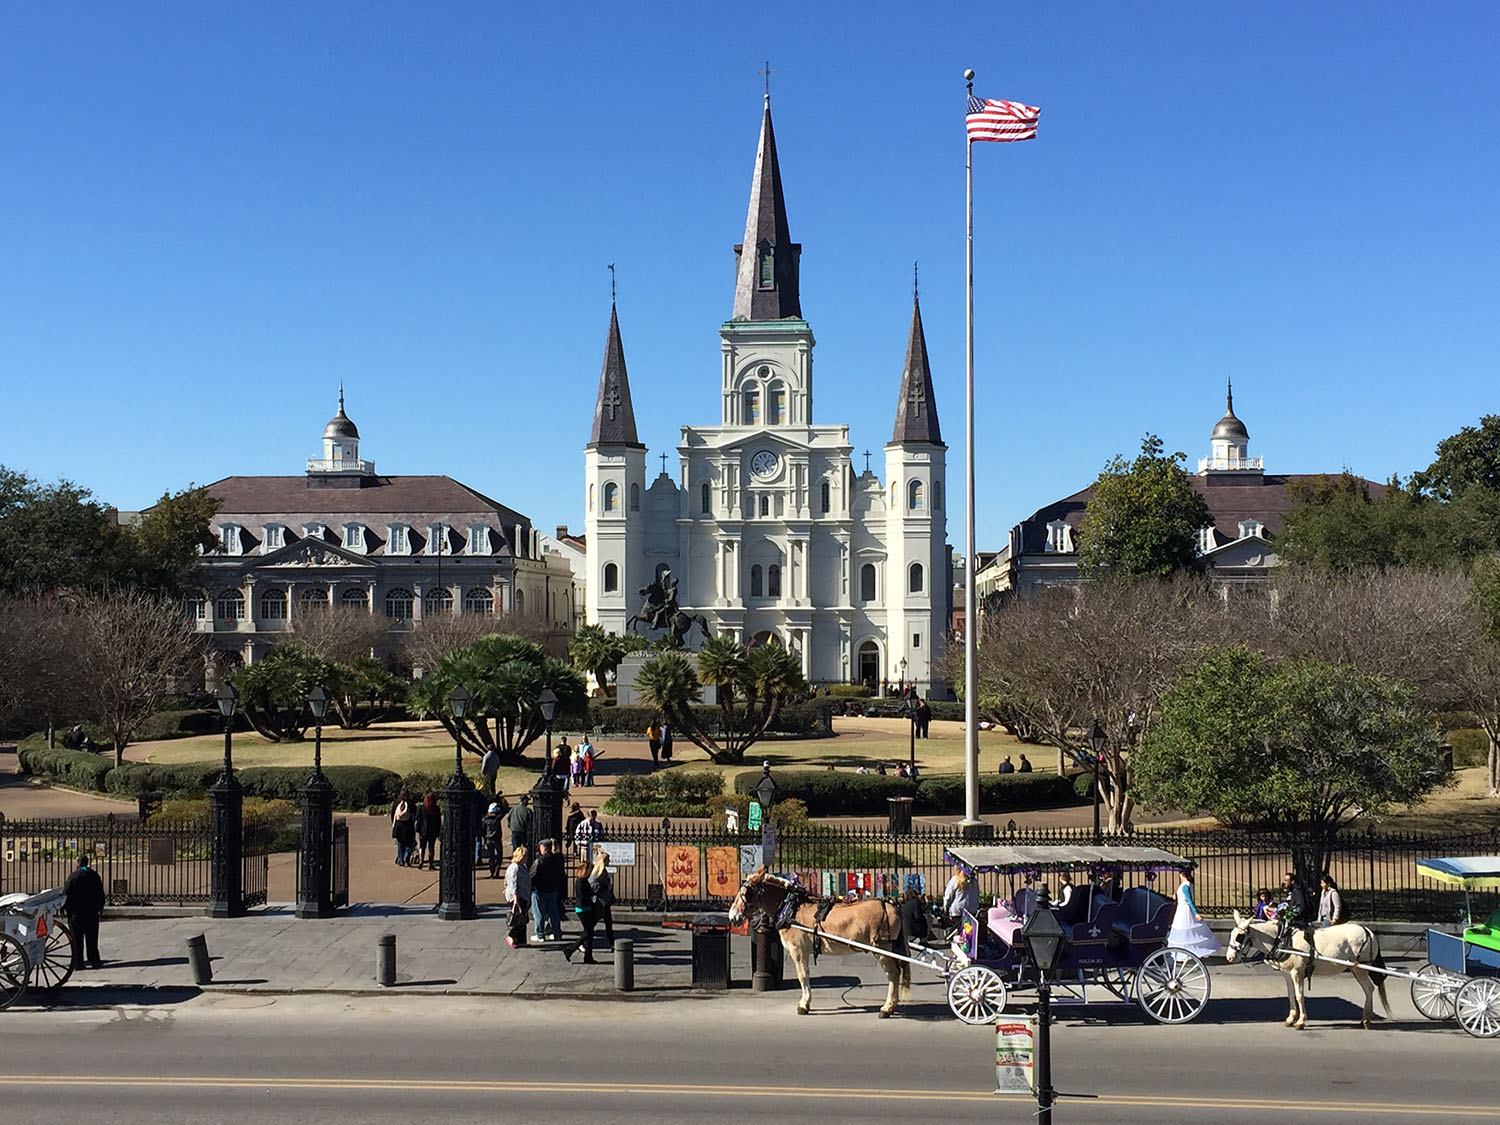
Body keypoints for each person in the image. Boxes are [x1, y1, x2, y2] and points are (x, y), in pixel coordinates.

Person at [63, 854, 106, 969]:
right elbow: (100, 892)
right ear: (87, 863)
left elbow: (66, 893)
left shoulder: (73, 876)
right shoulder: (94, 875)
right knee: (92, 938)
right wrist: (100, 906)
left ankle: (78, 962)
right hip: (91, 911)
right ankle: (94, 960)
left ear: (78, 863)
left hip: (76, 912)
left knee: (77, 939)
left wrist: (64, 908)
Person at [1167, 871, 1220, 957]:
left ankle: (1185, 952)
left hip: (1184, 911)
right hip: (1181, 909)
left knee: (1184, 930)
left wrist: (1196, 913)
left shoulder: (1185, 886)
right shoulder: (1187, 885)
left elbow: (1189, 900)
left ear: (1183, 874)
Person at [563, 859, 600, 963]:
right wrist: (592, 893)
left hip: (585, 907)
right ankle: (571, 949)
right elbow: (583, 895)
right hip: (583, 908)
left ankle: (588, 956)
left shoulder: (583, 880)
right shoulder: (581, 881)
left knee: (590, 932)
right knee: (587, 932)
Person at [529, 838, 566, 942]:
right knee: (553, 912)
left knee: (538, 913)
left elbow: (532, 876)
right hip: (553, 889)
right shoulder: (557, 859)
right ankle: (556, 932)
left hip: (540, 890)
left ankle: (540, 934)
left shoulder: (540, 861)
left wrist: (532, 887)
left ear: (544, 848)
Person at [504, 846, 532, 948]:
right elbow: (512, 883)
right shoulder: (514, 867)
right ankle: (512, 935)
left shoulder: (522, 867)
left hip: (524, 895)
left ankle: (520, 940)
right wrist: (515, 899)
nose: (526, 858)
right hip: (517, 896)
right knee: (518, 918)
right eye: (525, 856)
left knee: (523, 918)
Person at [589, 848, 616, 949]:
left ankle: (612, 943)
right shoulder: (596, 872)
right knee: (592, 924)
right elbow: (592, 885)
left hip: (605, 901)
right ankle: (583, 943)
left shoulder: (603, 871)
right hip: (599, 902)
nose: (610, 862)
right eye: (608, 860)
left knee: (608, 923)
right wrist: (604, 887)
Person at [415, 792, 441, 870]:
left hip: (423, 831)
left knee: (422, 847)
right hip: (432, 831)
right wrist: (438, 831)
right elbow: (438, 821)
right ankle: (430, 863)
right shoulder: (436, 809)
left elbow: (418, 819)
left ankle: (421, 861)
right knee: (431, 847)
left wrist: (417, 829)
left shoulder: (421, 808)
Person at [390, 789, 416, 866]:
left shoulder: (396, 803)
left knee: (400, 843)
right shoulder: (410, 803)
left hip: (398, 825)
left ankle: (401, 860)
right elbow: (415, 814)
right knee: (409, 844)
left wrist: (394, 823)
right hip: (408, 826)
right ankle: (406, 858)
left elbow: (392, 815)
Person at [482, 802, 506, 878]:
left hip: (488, 839)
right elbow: (503, 811)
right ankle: (496, 871)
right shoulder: (497, 818)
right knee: (499, 856)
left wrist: (485, 838)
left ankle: (492, 872)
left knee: (491, 856)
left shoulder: (485, 819)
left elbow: (483, 830)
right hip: (496, 839)